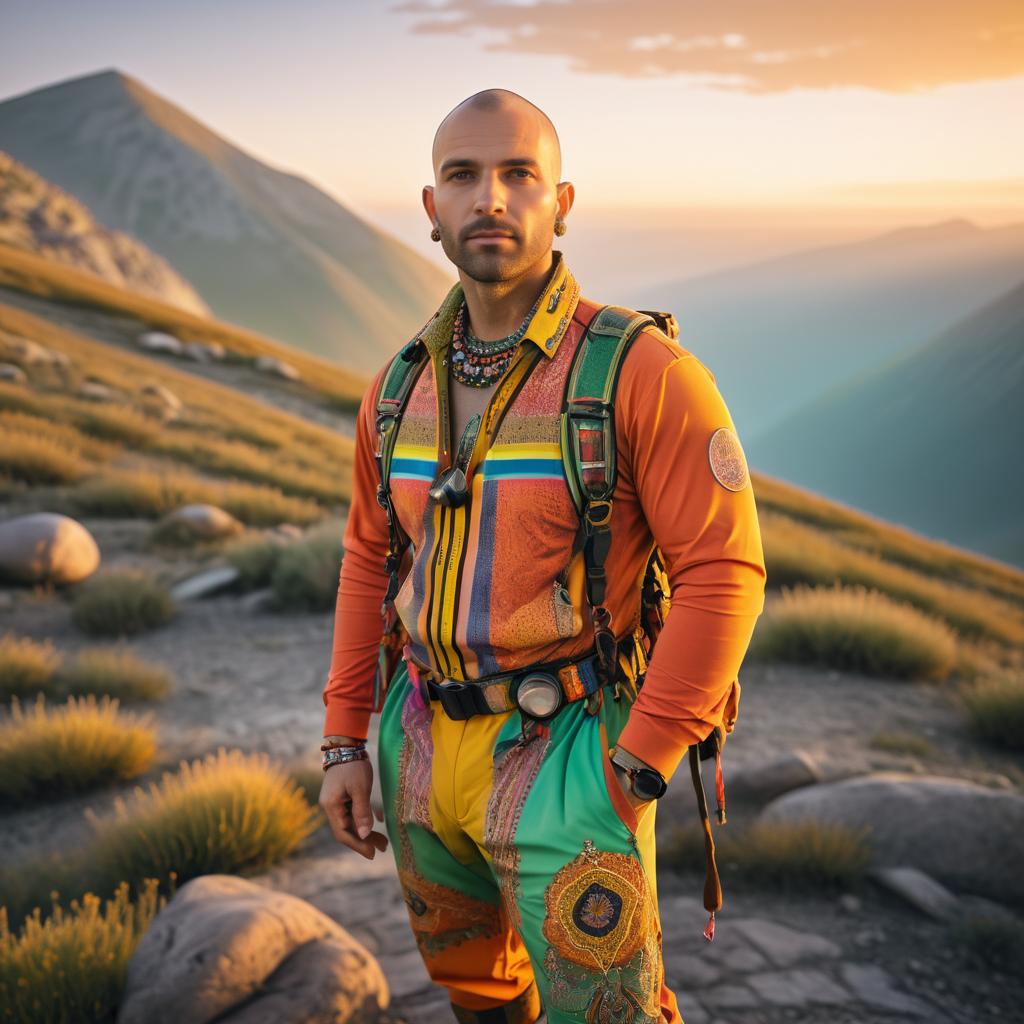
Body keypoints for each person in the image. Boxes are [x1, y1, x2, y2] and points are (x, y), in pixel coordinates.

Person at [318, 88, 767, 1024]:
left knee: (612, 1011)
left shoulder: (639, 372)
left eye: (518, 173)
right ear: (431, 207)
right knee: (477, 995)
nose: (490, 196)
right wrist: (347, 740)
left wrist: (637, 768)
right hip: (418, 748)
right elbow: (369, 560)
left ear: (561, 203)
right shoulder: (397, 388)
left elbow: (724, 573)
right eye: (463, 175)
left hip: (572, 747)